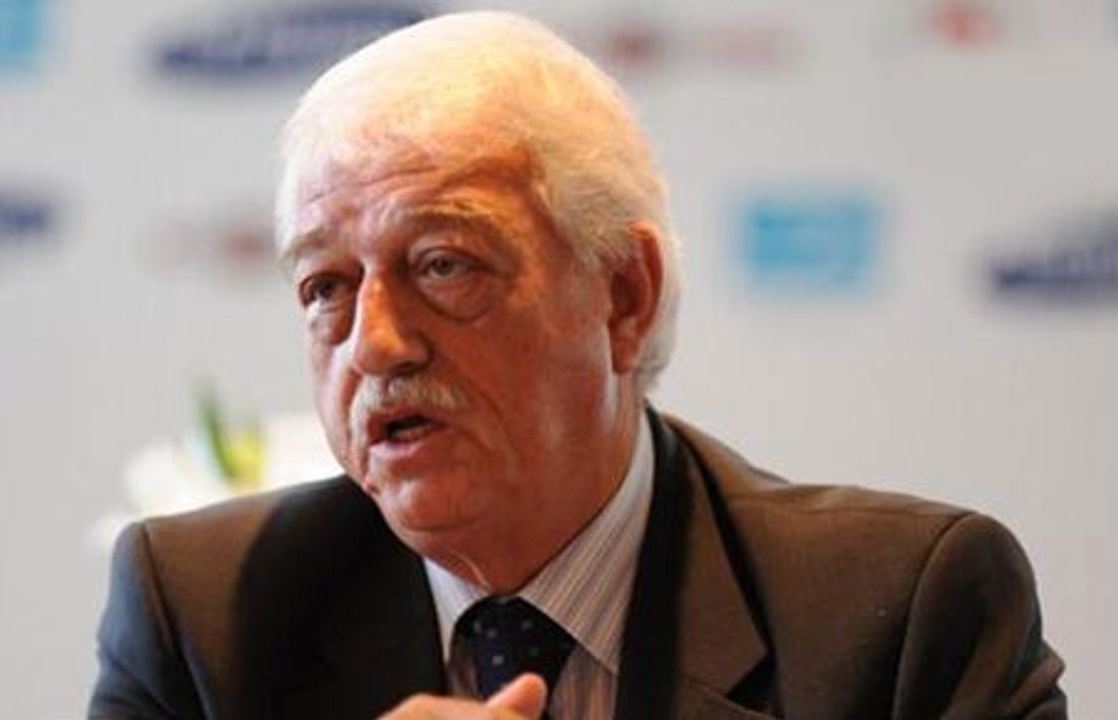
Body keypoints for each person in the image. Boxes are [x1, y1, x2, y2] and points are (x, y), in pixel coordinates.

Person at [89, 11, 1065, 720]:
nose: (376, 343)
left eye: (443, 265)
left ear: (623, 296)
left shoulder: (897, 619)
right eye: (325, 288)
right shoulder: (208, 617)